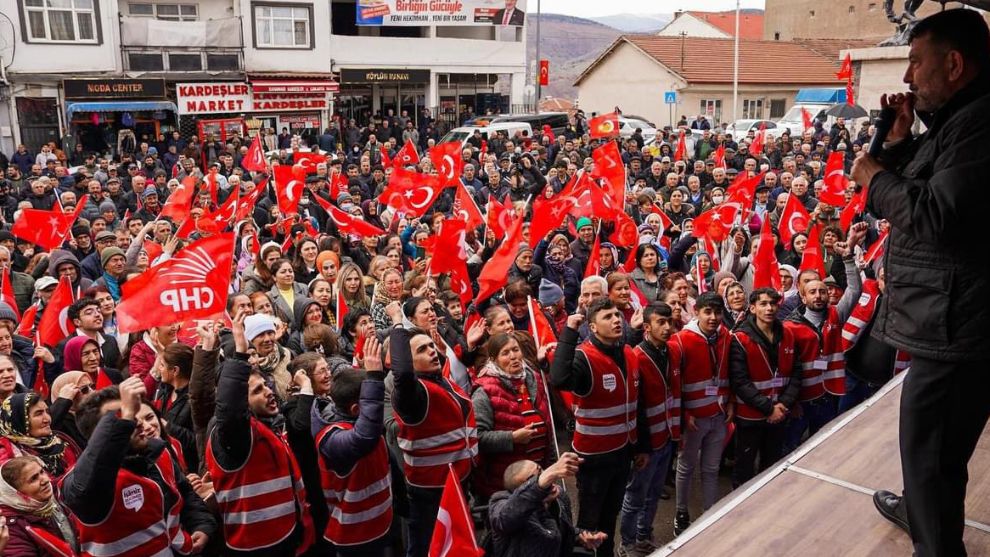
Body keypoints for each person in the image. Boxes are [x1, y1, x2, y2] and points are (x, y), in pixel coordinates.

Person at [848, 9, 990, 555]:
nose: (907, 78)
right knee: (936, 453)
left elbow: (937, 216)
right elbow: (938, 183)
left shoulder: (982, 125)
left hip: (957, 326)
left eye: (915, 62)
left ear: (953, 64)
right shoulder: (964, 121)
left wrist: (876, 175)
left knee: (930, 456)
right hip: (954, 317)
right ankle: (921, 509)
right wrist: (903, 141)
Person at [64, 377, 216, 556]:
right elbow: (85, 488)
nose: (136, 422)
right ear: (98, 434)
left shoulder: (159, 454)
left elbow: (185, 495)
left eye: (132, 412)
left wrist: (201, 524)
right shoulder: (84, 482)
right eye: (121, 416)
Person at [204, 310, 314, 556]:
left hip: (286, 537)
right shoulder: (234, 434)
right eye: (256, 391)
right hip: (255, 546)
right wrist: (240, 355)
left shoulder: (269, 424)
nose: (268, 392)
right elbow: (230, 412)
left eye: (265, 385)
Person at [550, 298, 646, 557]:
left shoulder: (627, 351)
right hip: (593, 459)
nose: (616, 320)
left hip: (623, 452)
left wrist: (639, 447)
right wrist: (569, 332)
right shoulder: (583, 357)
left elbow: (638, 403)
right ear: (592, 327)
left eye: (617, 315)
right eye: (608, 317)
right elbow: (559, 378)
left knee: (610, 516)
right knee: (589, 525)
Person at [390, 323, 478, 557]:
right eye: (421, 350)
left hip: (458, 481)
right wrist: (398, 324)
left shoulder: (442, 381)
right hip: (430, 491)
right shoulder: (413, 394)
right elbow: (403, 375)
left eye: (431, 346)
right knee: (428, 548)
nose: (431, 351)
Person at [313, 337, 393, 556]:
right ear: (358, 409)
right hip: (354, 538)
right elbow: (365, 438)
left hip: (378, 526)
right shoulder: (332, 438)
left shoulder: (358, 423)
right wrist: (374, 377)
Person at [669, 291, 732, 535]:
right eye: (708, 312)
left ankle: (709, 513)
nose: (714, 317)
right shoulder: (681, 341)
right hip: (693, 419)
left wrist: (731, 402)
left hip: (718, 416)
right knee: (686, 466)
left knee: (711, 468)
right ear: (697, 312)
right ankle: (681, 512)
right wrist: (684, 414)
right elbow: (674, 383)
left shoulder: (727, 337)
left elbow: (730, 374)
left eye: (717, 312)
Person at [728, 288, 804, 488]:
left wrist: (783, 405)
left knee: (771, 466)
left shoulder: (788, 333)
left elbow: (797, 373)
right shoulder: (740, 338)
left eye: (772, 303)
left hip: (780, 414)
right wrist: (769, 408)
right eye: (763, 304)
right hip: (751, 417)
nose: (769, 308)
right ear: (752, 308)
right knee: (744, 468)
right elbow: (740, 382)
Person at [619, 302, 679, 556]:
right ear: (646, 327)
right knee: (635, 495)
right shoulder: (636, 358)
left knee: (654, 493)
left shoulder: (672, 352)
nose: (667, 328)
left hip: (667, 436)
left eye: (670, 322)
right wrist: (640, 447)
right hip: (647, 442)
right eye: (660, 323)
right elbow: (636, 407)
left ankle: (644, 534)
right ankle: (627, 543)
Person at [471, 333, 552, 502]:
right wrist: (512, 438)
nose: (513, 356)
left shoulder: (533, 378)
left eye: (515, 350)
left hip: (537, 476)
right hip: (502, 484)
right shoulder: (484, 391)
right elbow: (477, 438)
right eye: (505, 353)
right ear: (494, 359)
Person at [488, 453, 607, 557]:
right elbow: (504, 519)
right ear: (521, 491)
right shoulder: (500, 502)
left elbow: (562, 528)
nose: (547, 481)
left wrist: (580, 536)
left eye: (541, 471)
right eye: (532, 479)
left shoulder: (560, 496)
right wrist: (542, 481)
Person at [0, 456, 78, 556]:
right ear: (16, 493)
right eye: (33, 479)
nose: (45, 480)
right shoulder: (11, 530)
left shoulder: (51, 496)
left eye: (42, 472)